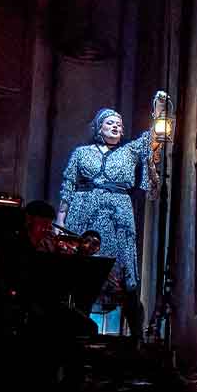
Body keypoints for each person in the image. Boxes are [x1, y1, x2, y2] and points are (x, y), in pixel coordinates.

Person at [56, 93, 167, 339]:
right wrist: (61, 219)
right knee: (83, 279)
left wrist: (159, 110)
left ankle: (137, 338)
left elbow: (154, 138)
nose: (116, 125)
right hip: (84, 216)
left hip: (117, 218)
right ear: (98, 127)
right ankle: (76, 336)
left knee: (126, 279)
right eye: (110, 122)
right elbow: (68, 184)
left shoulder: (129, 151)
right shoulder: (81, 153)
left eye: (119, 123)